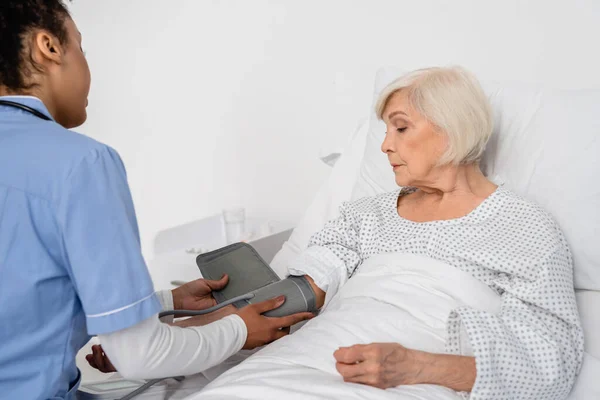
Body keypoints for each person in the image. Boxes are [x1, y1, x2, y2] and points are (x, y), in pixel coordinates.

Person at [198, 67, 585, 399]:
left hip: (416, 381)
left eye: (401, 127)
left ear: (452, 128)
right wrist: (205, 326)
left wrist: (416, 367)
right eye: (385, 131)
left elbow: (550, 362)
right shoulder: (366, 214)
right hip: (302, 359)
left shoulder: (524, 225)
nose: (385, 145)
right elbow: (306, 285)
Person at [0, 2, 312, 399]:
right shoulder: (80, 162)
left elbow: (29, 304)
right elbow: (140, 357)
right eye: (80, 47)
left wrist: (164, 301)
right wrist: (240, 329)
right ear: (49, 48)